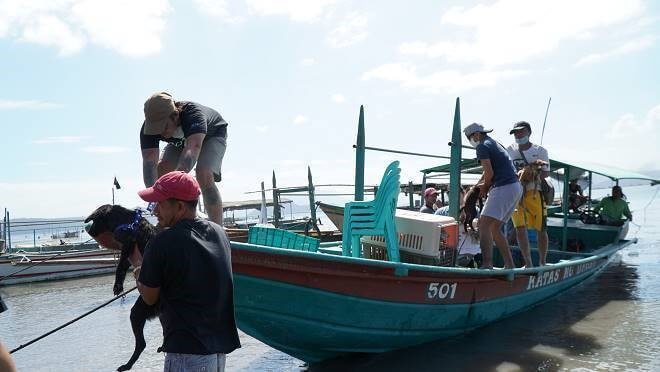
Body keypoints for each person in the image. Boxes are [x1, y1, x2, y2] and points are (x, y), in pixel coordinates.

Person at [135, 171, 240, 371]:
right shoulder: (219, 233)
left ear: (180, 207)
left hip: (187, 353)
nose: (154, 210)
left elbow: (149, 297)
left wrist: (139, 275)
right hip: (218, 352)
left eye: (160, 203)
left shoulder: (162, 242)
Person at [140, 92, 228, 225]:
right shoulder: (148, 129)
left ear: (175, 116)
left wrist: (176, 180)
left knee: (204, 174)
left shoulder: (194, 116)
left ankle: (217, 228)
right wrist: (156, 195)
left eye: (163, 127)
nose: (160, 133)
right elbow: (149, 162)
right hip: (182, 142)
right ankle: (174, 219)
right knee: (162, 171)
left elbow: (192, 148)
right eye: (155, 129)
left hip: (212, 135)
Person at [464, 123, 522, 269]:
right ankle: (509, 265)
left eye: (469, 138)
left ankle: (487, 264)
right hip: (515, 187)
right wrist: (478, 185)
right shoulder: (495, 143)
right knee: (495, 228)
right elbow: (487, 171)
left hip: (503, 186)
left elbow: (489, 174)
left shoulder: (482, 146)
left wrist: (484, 187)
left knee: (483, 225)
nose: (471, 141)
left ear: (476, 135)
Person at [506, 121, 550, 267]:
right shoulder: (509, 150)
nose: (518, 135)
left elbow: (546, 172)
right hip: (515, 193)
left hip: (535, 193)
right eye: (515, 132)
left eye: (521, 131)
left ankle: (543, 262)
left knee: (541, 229)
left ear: (529, 132)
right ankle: (528, 263)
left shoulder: (541, 150)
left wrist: (530, 174)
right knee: (519, 228)